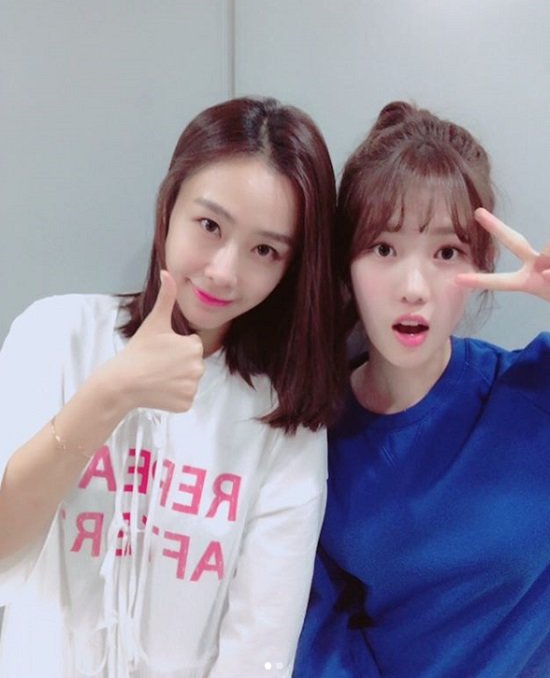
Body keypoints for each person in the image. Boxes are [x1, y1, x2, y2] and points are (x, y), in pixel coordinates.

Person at [0, 96, 346, 677]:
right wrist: (109, 394)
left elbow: (257, 648)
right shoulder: (56, 336)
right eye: (210, 226)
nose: (224, 271)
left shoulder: (281, 415)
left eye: (264, 250)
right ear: (170, 206)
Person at [294, 101, 550, 677]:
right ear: (345, 262)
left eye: (446, 253)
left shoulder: (534, 390)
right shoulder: (311, 441)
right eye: (383, 249)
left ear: (483, 264)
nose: (414, 287)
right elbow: (316, 640)